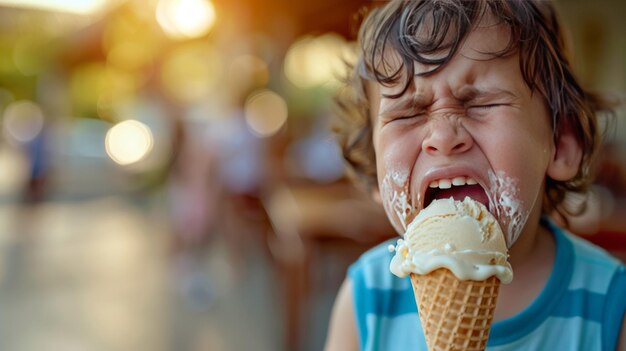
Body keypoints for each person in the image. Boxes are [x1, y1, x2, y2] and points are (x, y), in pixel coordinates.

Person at [325, 1, 626, 350]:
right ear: (374, 166)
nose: (442, 138)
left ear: (560, 144)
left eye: (480, 104)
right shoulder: (366, 301)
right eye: (408, 112)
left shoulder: (611, 308)